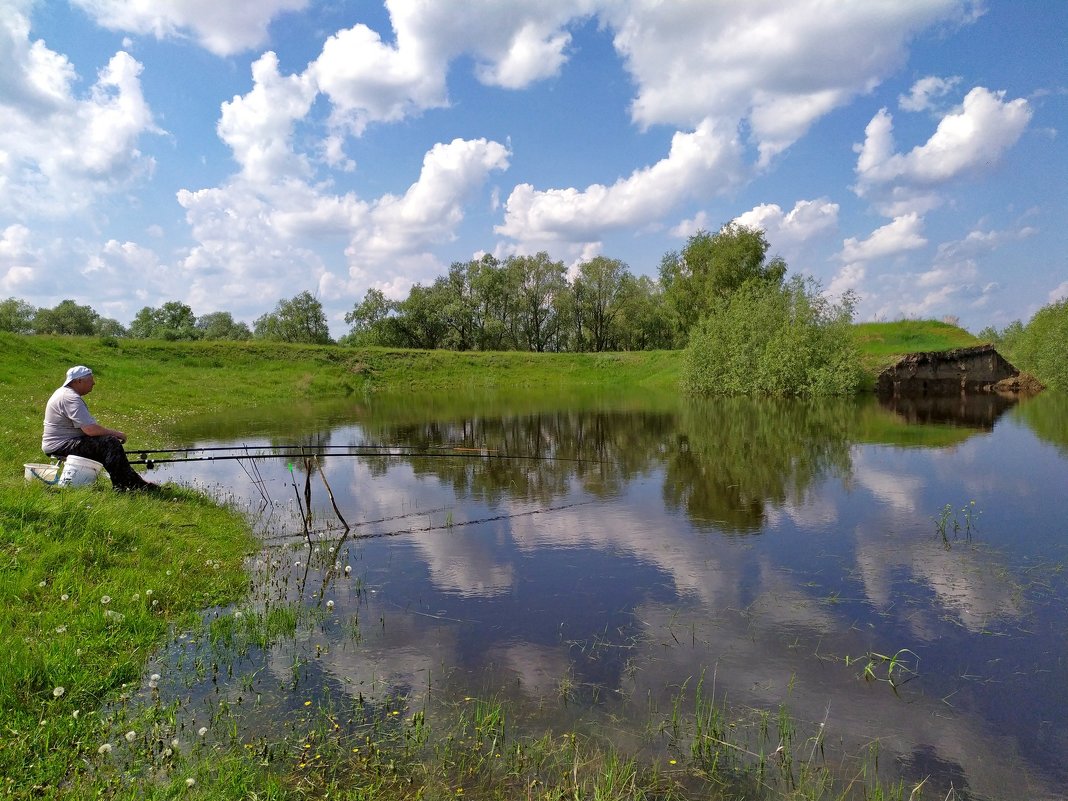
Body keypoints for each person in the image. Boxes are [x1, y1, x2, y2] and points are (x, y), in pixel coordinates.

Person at [42, 365, 157, 492]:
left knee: (107, 445)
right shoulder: (70, 398)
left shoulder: (64, 393)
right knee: (109, 443)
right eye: (91, 380)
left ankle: (134, 483)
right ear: (79, 381)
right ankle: (124, 486)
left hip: (63, 442)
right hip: (59, 445)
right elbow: (90, 430)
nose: (94, 383)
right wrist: (118, 434)